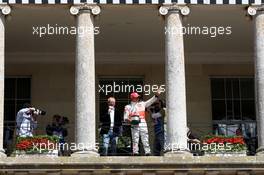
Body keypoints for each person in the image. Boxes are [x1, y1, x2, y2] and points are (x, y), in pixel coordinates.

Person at [124, 89, 162, 156]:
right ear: (132, 98)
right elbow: (125, 118)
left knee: (145, 138)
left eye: (138, 97)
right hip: (134, 124)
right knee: (135, 139)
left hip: (142, 123)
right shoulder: (128, 107)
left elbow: (150, 101)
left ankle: (147, 152)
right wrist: (130, 121)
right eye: (136, 97)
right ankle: (135, 152)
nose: (138, 98)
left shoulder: (142, 104)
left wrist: (156, 95)